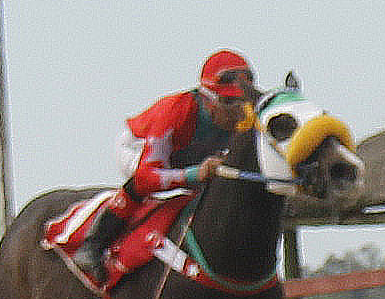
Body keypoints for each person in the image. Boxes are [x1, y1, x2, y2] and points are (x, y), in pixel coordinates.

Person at [70, 49, 258, 284]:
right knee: (143, 185)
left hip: (186, 154)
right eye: (229, 102)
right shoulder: (175, 111)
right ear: (208, 100)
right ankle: (93, 245)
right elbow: (146, 177)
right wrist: (194, 174)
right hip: (138, 148)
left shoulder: (245, 119)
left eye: (244, 102)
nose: (239, 112)